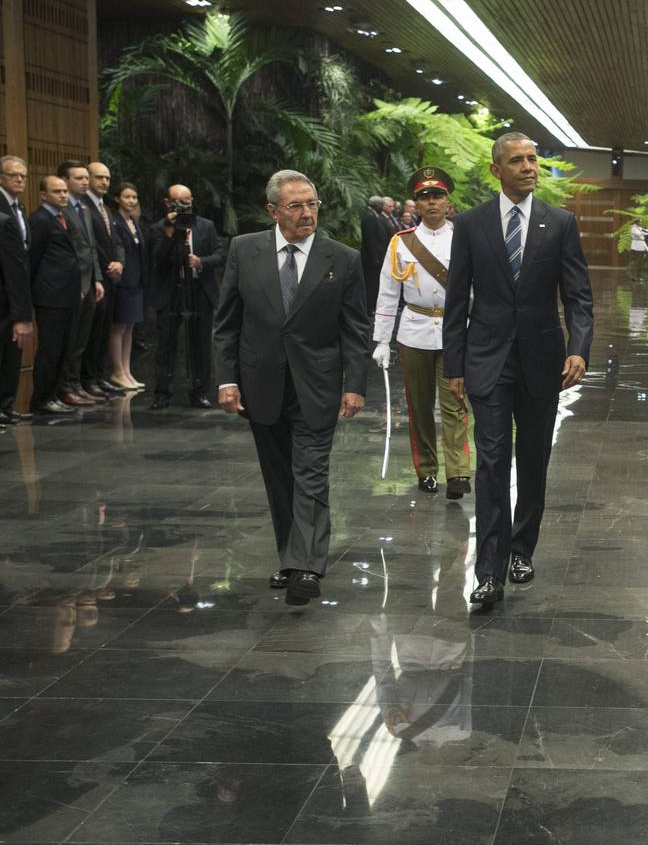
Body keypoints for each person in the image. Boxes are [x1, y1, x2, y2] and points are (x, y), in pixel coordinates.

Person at [442, 131, 594, 605]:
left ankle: (521, 548)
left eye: (532, 159)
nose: (529, 167)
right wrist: (454, 364)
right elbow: (456, 298)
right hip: (486, 359)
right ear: (496, 170)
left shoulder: (560, 222)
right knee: (490, 463)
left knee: (532, 460)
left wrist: (580, 348)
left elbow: (578, 295)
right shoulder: (470, 224)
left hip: (542, 360)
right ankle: (487, 573)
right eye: (517, 160)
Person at [213, 170, 370, 607]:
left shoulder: (342, 258)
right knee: (279, 478)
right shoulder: (245, 250)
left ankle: (308, 567)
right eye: (296, 206)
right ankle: (290, 557)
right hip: (260, 383)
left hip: (316, 384)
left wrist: (354, 385)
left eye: (312, 204)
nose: (307, 214)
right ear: (273, 211)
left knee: (311, 474)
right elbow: (227, 322)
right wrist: (226, 379)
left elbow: (355, 329)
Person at [372, 167, 472, 498]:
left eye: (438, 196)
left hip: (455, 330)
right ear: (416, 204)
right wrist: (382, 339)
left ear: (447, 202)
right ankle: (427, 469)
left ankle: (458, 472)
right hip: (414, 330)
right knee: (419, 405)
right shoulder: (401, 242)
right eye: (424, 197)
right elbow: (388, 292)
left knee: (455, 401)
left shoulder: (464, 238)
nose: (431, 203)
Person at [28, 175, 102, 414]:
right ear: (43, 195)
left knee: (65, 348)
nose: (62, 195)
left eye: (63, 191)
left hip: (69, 294)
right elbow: (34, 260)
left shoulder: (63, 218)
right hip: (51, 296)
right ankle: (42, 398)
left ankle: (56, 393)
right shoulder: (40, 219)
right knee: (50, 350)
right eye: (56, 191)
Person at [148, 184, 225, 409]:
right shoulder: (158, 229)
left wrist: (201, 262)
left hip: (200, 291)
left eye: (187, 203)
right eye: (178, 203)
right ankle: (162, 392)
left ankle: (200, 391)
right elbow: (157, 261)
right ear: (167, 203)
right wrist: (170, 233)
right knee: (165, 345)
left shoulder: (206, 226)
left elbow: (220, 254)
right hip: (170, 292)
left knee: (201, 344)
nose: (183, 207)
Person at [55, 161, 103, 405]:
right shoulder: (61, 210)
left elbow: (91, 247)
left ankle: (76, 383)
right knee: (70, 339)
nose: (85, 182)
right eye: (78, 178)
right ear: (64, 180)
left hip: (89, 282)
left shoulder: (84, 208)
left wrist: (97, 278)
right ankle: (65, 386)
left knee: (82, 339)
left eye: (86, 178)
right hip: (72, 285)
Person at [80, 161, 124, 395]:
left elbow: (116, 241)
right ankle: (87, 379)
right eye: (99, 177)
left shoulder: (106, 208)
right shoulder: (82, 206)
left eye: (107, 178)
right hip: (94, 277)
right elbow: (90, 246)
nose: (104, 182)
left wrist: (120, 262)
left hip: (111, 278)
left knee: (103, 330)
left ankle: (98, 375)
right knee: (89, 332)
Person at [107, 182, 147, 390]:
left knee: (129, 328)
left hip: (136, 281)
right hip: (122, 282)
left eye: (134, 197)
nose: (131, 201)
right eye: (127, 197)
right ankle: (117, 371)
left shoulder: (133, 221)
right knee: (119, 327)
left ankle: (127, 370)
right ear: (117, 199)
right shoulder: (115, 221)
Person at [0, 156, 30, 422]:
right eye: (13, 175)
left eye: (23, 176)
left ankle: (6, 406)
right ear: (1, 177)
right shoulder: (2, 214)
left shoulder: (19, 207)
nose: (19, 179)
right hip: (5, 294)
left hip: (15, 295)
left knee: (12, 353)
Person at [360, 194, 390, 311]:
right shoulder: (370, 216)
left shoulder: (373, 215)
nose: (382, 208)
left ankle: (372, 305)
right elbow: (370, 239)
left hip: (375, 257)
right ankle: (369, 307)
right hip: (371, 259)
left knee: (374, 283)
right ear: (376, 205)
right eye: (381, 205)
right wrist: (375, 258)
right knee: (371, 283)